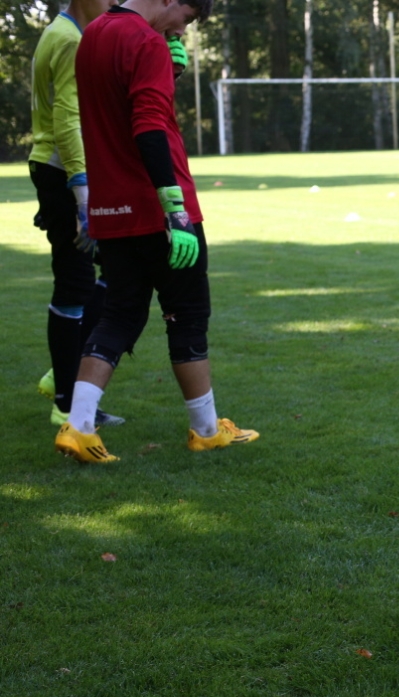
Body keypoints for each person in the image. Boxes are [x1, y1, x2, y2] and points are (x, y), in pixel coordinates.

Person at [54, 0, 259, 464]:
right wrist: (175, 211)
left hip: (112, 207)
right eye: (184, 19)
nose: (181, 30)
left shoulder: (92, 37)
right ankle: (206, 430)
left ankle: (78, 425)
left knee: (119, 315)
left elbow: (124, 106)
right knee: (187, 314)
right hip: (157, 208)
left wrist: (169, 70)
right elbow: (148, 127)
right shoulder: (145, 41)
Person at [28, 0, 125, 430]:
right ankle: (66, 403)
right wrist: (82, 194)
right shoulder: (68, 40)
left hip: (59, 171)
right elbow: (67, 121)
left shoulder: (65, 32)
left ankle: (62, 372)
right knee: (75, 280)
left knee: (114, 271)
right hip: (63, 172)